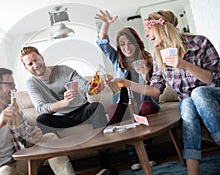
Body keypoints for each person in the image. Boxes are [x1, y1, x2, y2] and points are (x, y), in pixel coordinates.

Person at [107, 10, 220, 175]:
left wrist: (186, 65)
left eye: (149, 29)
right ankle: (192, 172)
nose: (146, 34)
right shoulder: (159, 56)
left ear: (163, 28)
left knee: (198, 93)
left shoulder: (199, 42)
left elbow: (214, 79)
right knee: (187, 103)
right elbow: (154, 91)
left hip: (213, 95)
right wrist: (125, 83)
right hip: (190, 102)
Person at [0, 68, 75, 175]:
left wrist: (33, 137)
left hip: (17, 165)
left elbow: (27, 141)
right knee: (6, 171)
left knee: (50, 138)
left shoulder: (15, 112)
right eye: (11, 85)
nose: (15, 89)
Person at [20, 46, 112, 174]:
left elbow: (84, 85)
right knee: (42, 120)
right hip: (61, 118)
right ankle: (63, 166)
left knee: (96, 107)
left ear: (42, 57)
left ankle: (105, 160)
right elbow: (41, 108)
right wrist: (63, 103)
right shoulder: (32, 83)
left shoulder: (63, 70)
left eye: (36, 59)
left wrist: (93, 87)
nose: (35, 65)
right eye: (30, 63)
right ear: (26, 68)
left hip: (82, 111)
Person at [95, 9, 160, 170]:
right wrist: (106, 24)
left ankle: (148, 154)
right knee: (115, 110)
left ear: (136, 42)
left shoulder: (148, 60)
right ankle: (130, 156)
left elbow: (155, 91)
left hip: (145, 101)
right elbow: (102, 41)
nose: (127, 47)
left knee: (146, 107)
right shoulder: (117, 60)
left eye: (130, 42)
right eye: (122, 44)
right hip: (124, 101)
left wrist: (146, 75)